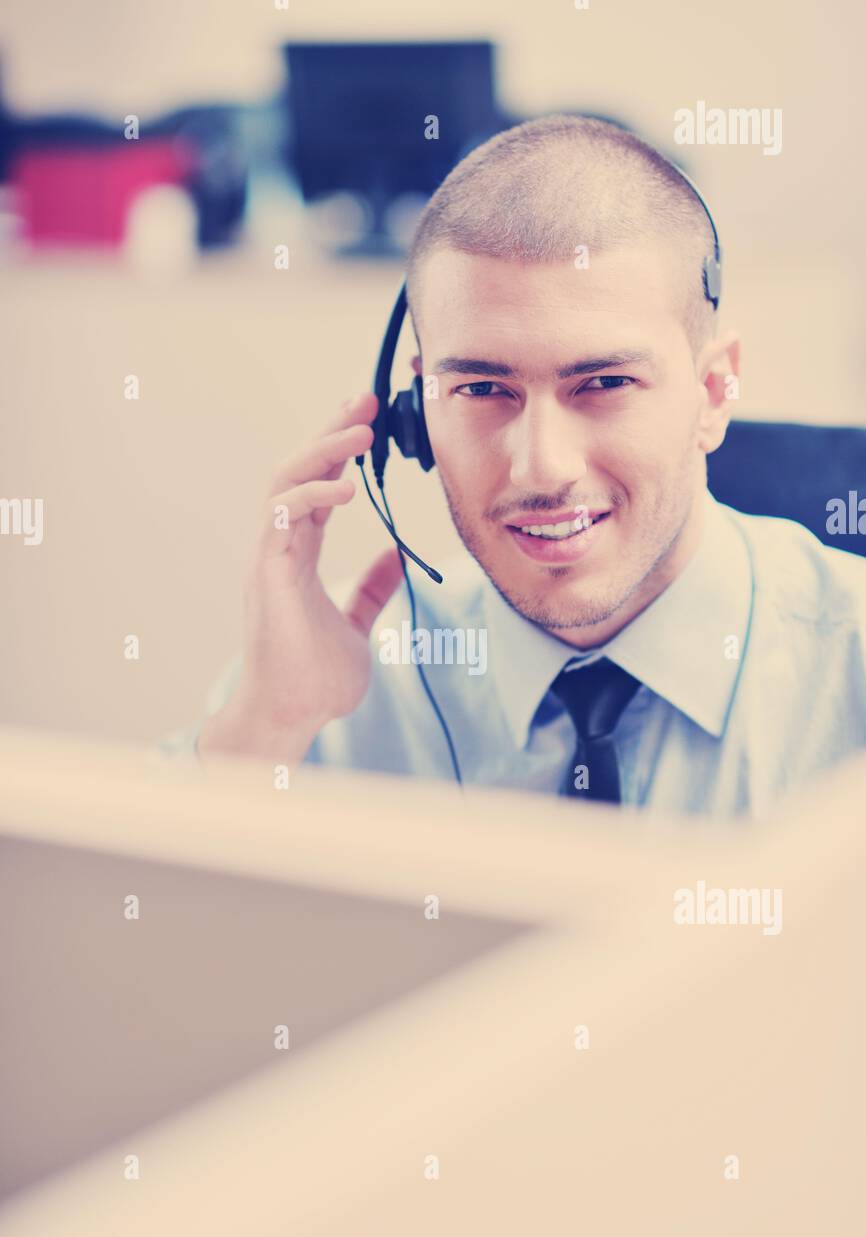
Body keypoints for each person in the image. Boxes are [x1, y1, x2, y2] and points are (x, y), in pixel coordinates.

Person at [168, 115, 866, 815]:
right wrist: (269, 725)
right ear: (413, 415)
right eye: (481, 390)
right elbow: (121, 912)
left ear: (713, 394)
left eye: (604, 384)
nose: (541, 468)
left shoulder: (847, 670)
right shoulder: (342, 669)